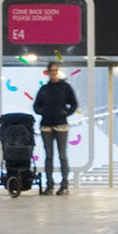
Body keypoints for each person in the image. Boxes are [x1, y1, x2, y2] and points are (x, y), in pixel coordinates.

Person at [33, 63, 79, 196]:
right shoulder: (44, 89)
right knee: (49, 155)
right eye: (51, 71)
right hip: (46, 125)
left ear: (57, 72)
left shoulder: (65, 87)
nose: (53, 73)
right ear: (48, 72)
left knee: (62, 155)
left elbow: (74, 103)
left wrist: (65, 113)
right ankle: (50, 185)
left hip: (61, 125)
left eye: (55, 70)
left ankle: (64, 185)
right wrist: (44, 112)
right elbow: (36, 105)